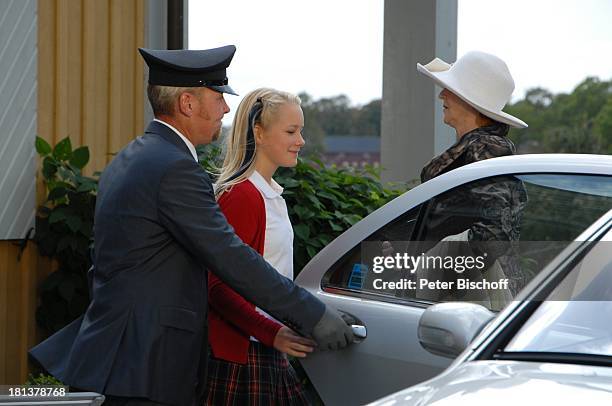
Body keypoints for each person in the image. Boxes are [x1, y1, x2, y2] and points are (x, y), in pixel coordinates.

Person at [29, 46, 354, 406]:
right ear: (187, 103)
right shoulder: (175, 169)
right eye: (218, 98)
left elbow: (104, 261)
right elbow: (231, 257)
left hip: (121, 353)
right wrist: (314, 314)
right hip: (148, 363)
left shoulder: (133, 156)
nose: (226, 110)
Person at [204, 88, 312, 404]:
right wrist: (272, 332)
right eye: (291, 131)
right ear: (259, 133)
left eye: (301, 131)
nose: (301, 141)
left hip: (265, 349)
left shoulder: (270, 195)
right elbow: (218, 288)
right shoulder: (241, 196)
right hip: (243, 356)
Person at [414, 51, 529, 303]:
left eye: (450, 90)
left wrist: (437, 262)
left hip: (470, 302)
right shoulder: (483, 146)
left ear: (470, 102)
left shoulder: (486, 148)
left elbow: (492, 236)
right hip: (466, 294)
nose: (441, 95)